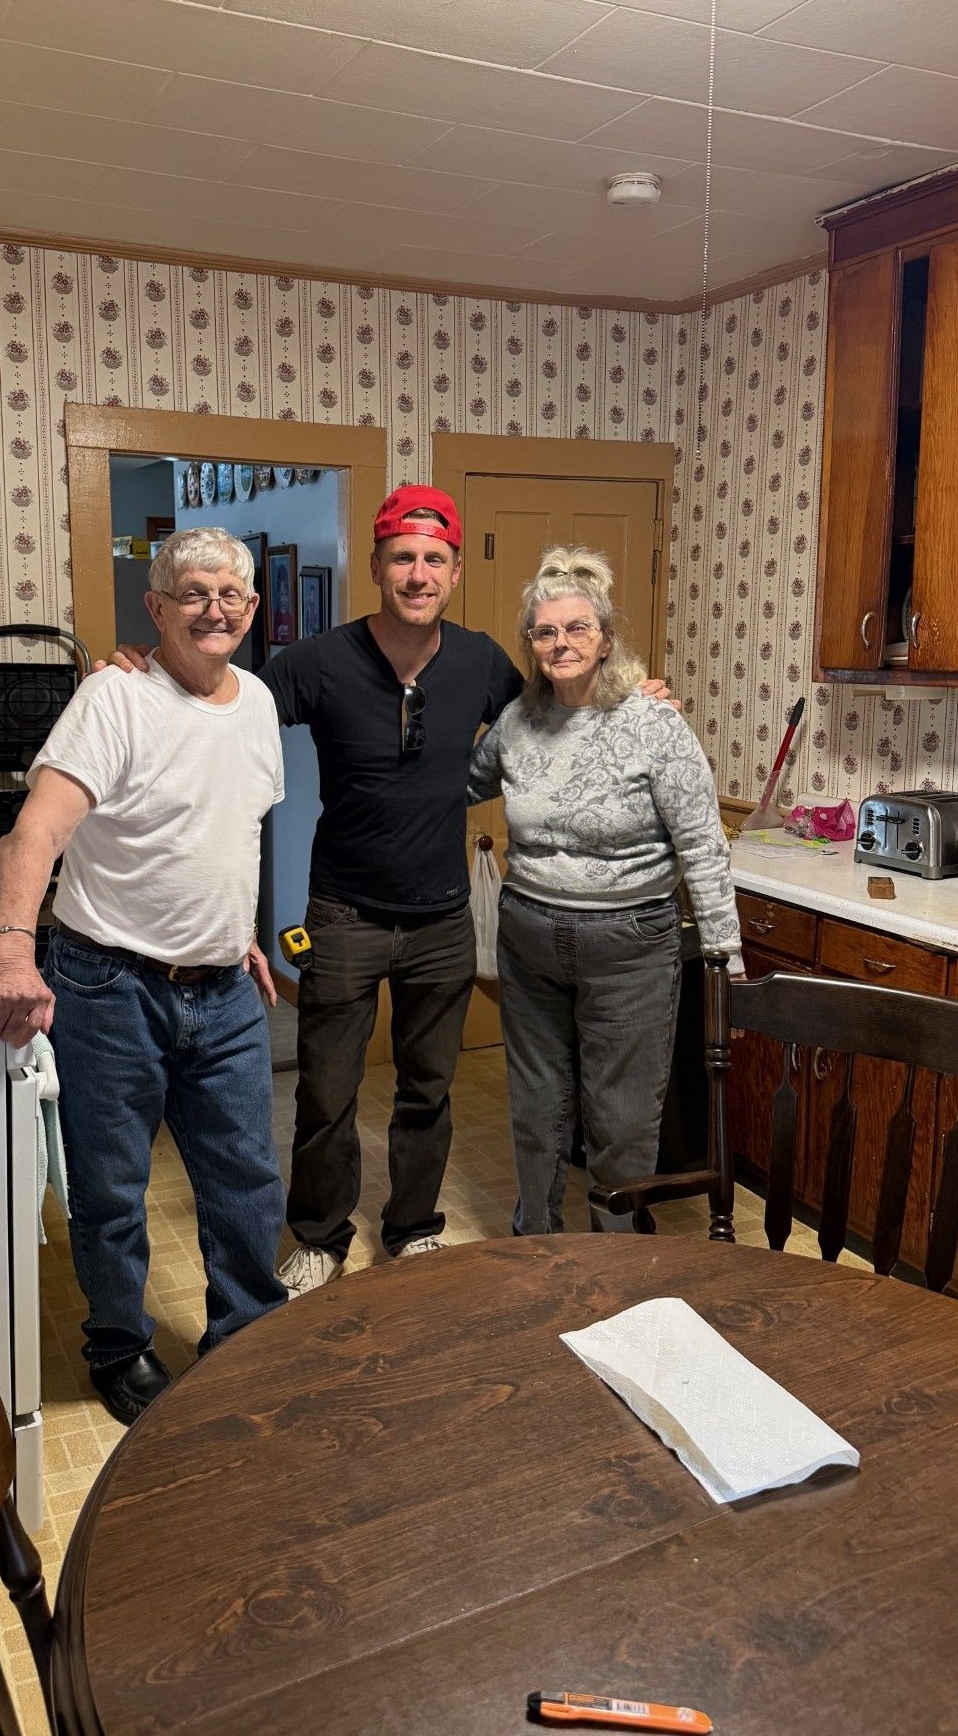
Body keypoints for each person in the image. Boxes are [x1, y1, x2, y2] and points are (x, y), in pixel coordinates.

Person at [102, 488, 675, 1298]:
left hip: (442, 916)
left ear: (451, 571)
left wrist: (637, 700)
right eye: (402, 558)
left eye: (434, 559)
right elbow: (215, 703)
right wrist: (143, 668)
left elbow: (555, 716)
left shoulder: (480, 662)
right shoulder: (319, 661)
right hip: (342, 914)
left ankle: (412, 1227)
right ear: (375, 566)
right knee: (328, 1091)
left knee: (426, 1090)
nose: (418, 573)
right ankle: (320, 1236)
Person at [0, 526, 287, 1425]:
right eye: (193, 593)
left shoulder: (257, 703)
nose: (214, 608)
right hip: (109, 986)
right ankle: (119, 1343)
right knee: (110, 1188)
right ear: (157, 608)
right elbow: (35, 833)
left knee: (246, 1179)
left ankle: (246, 1333)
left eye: (231, 594)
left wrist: (239, 932)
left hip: (222, 989)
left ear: (253, 610)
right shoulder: (112, 700)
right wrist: (12, 948)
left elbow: (232, 832)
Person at [467, 546, 742, 1236]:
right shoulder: (517, 722)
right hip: (529, 935)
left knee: (621, 1115)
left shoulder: (653, 722)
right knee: (537, 1107)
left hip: (630, 947)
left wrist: (723, 957)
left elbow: (704, 845)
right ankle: (535, 1238)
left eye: (576, 628)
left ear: (606, 638)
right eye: (544, 631)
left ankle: (615, 1252)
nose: (560, 642)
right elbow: (460, 784)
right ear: (530, 643)